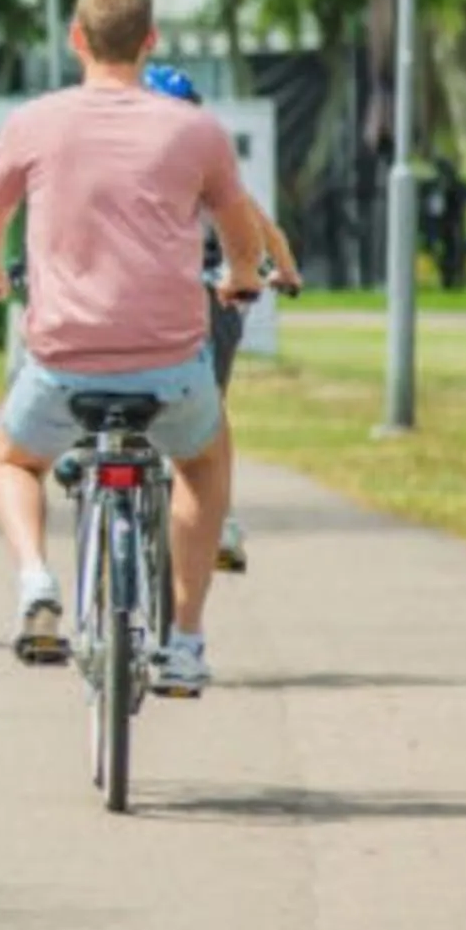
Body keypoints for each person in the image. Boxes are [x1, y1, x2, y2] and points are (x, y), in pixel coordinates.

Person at [0, 0, 260, 696]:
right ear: (151, 40)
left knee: (14, 461)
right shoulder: (196, 131)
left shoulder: (33, 123)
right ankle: (184, 642)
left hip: (64, 364)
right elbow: (241, 233)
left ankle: (36, 580)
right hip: (171, 365)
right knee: (203, 464)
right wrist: (241, 277)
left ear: (76, 39)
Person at [141, 61, 303, 573]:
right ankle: (221, 518)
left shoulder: (114, 162)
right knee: (210, 405)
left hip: (133, 301)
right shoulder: (201, 164)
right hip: (206, 295)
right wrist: (286, 272)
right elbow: (259, 226)